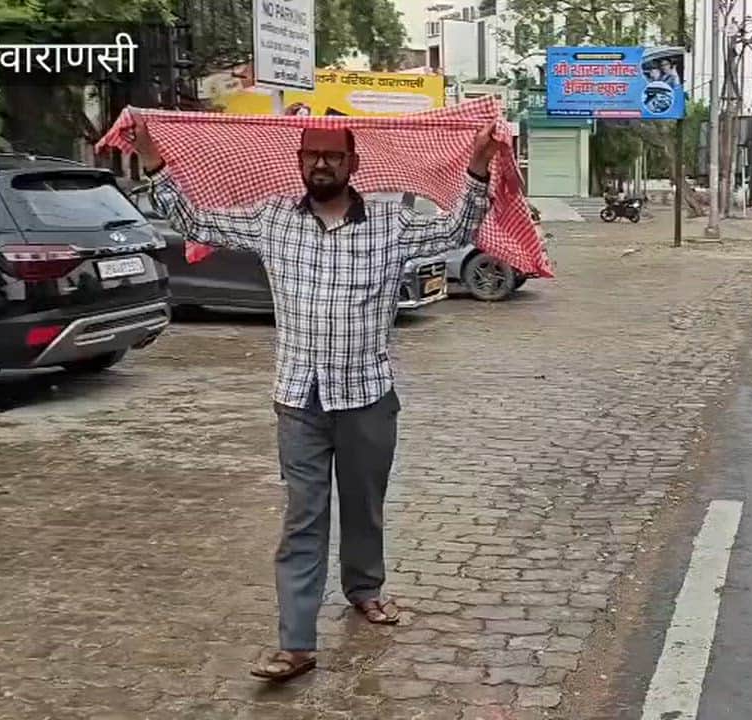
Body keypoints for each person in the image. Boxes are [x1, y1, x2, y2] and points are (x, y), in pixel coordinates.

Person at [129, 111, 505, 682]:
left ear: (353, 163)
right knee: (304, 516)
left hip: (366, 396)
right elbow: (195, 221)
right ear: (300, 162)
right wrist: (152, 159)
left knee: (364, 504)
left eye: (333, 155)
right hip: (298, 400)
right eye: (312, 155)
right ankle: (296, 643)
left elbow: (457, 231)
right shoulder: (272, 219)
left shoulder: (390, 224)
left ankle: (365, 588)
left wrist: (477, 165)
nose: (321, 164)